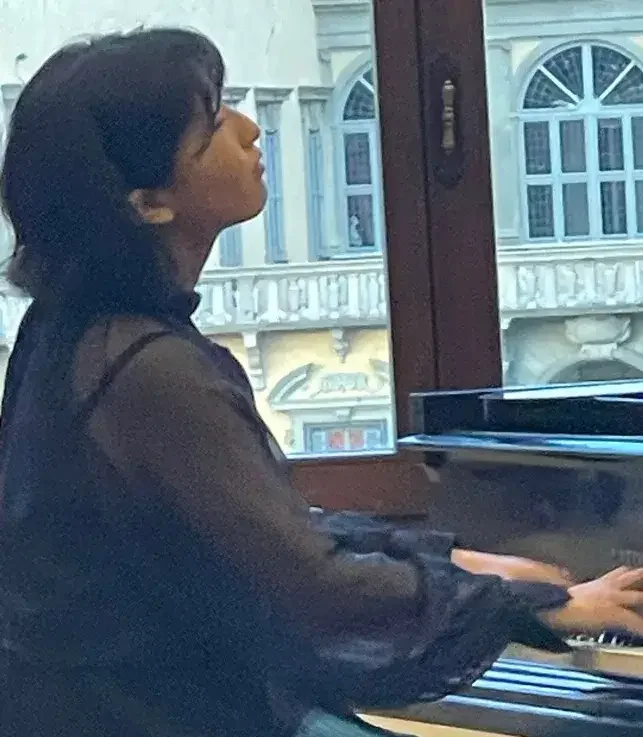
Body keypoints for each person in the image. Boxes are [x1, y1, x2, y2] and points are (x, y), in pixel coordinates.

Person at [1, 27, 643, 737]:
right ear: (149, 201)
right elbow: (311, 583)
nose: (249, 130)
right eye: (213, 126)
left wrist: (463, 562)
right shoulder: (148, 367)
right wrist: (532, 606)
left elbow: (260, 530)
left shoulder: (72, 330)